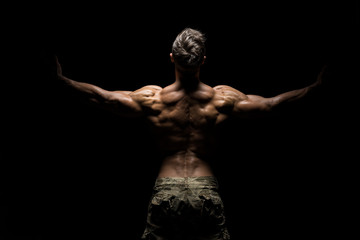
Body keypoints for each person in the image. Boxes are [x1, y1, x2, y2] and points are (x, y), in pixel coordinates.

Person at [55, 27, 326, 240]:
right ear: (203, 61)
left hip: (167, 189)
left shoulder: (152, 99)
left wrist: (63, 81)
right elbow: (271, 104)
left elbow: (103, 99)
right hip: (205, 190)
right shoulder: (222, 99)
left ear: (172, 58)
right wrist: (315, 88)